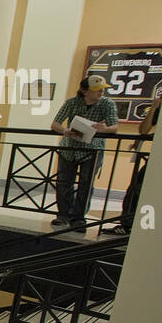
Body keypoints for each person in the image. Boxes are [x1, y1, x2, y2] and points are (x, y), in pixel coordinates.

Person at [49, 75, 117, 233]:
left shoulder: (107, 104)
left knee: (86, 185)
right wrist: (65, 131)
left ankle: (78, 217)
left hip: (92, 149)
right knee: (64, 182)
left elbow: (114, 126)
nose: (101, 92)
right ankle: (63, 215)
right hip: (69, 148)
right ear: (85, 91)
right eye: (96, 90)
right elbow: (55, 124)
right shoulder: (72, 103)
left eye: (102, 89)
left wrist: (103, 129)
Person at [106, 81, 162, 235]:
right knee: (135, 188)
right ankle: (128, 224)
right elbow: (144, 130)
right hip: (157, 157)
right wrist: (153, 109)